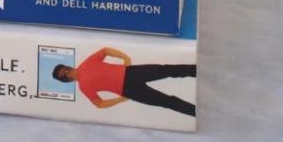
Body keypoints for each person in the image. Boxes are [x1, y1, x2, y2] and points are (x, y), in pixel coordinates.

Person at [52, 47, 196, 117]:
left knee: (167, 72)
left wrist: (124, 57)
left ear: (67, 68)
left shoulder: (86, 66)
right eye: (65, 76)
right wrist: (119, 100)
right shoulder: (83, 85)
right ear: (66, 78)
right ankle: (195, 111)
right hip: (129, 87)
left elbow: (105, 50)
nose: (67, 75)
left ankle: (196, 71)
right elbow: (100, 104)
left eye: (66, 72)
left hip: (131, 75)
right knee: (166, 100)